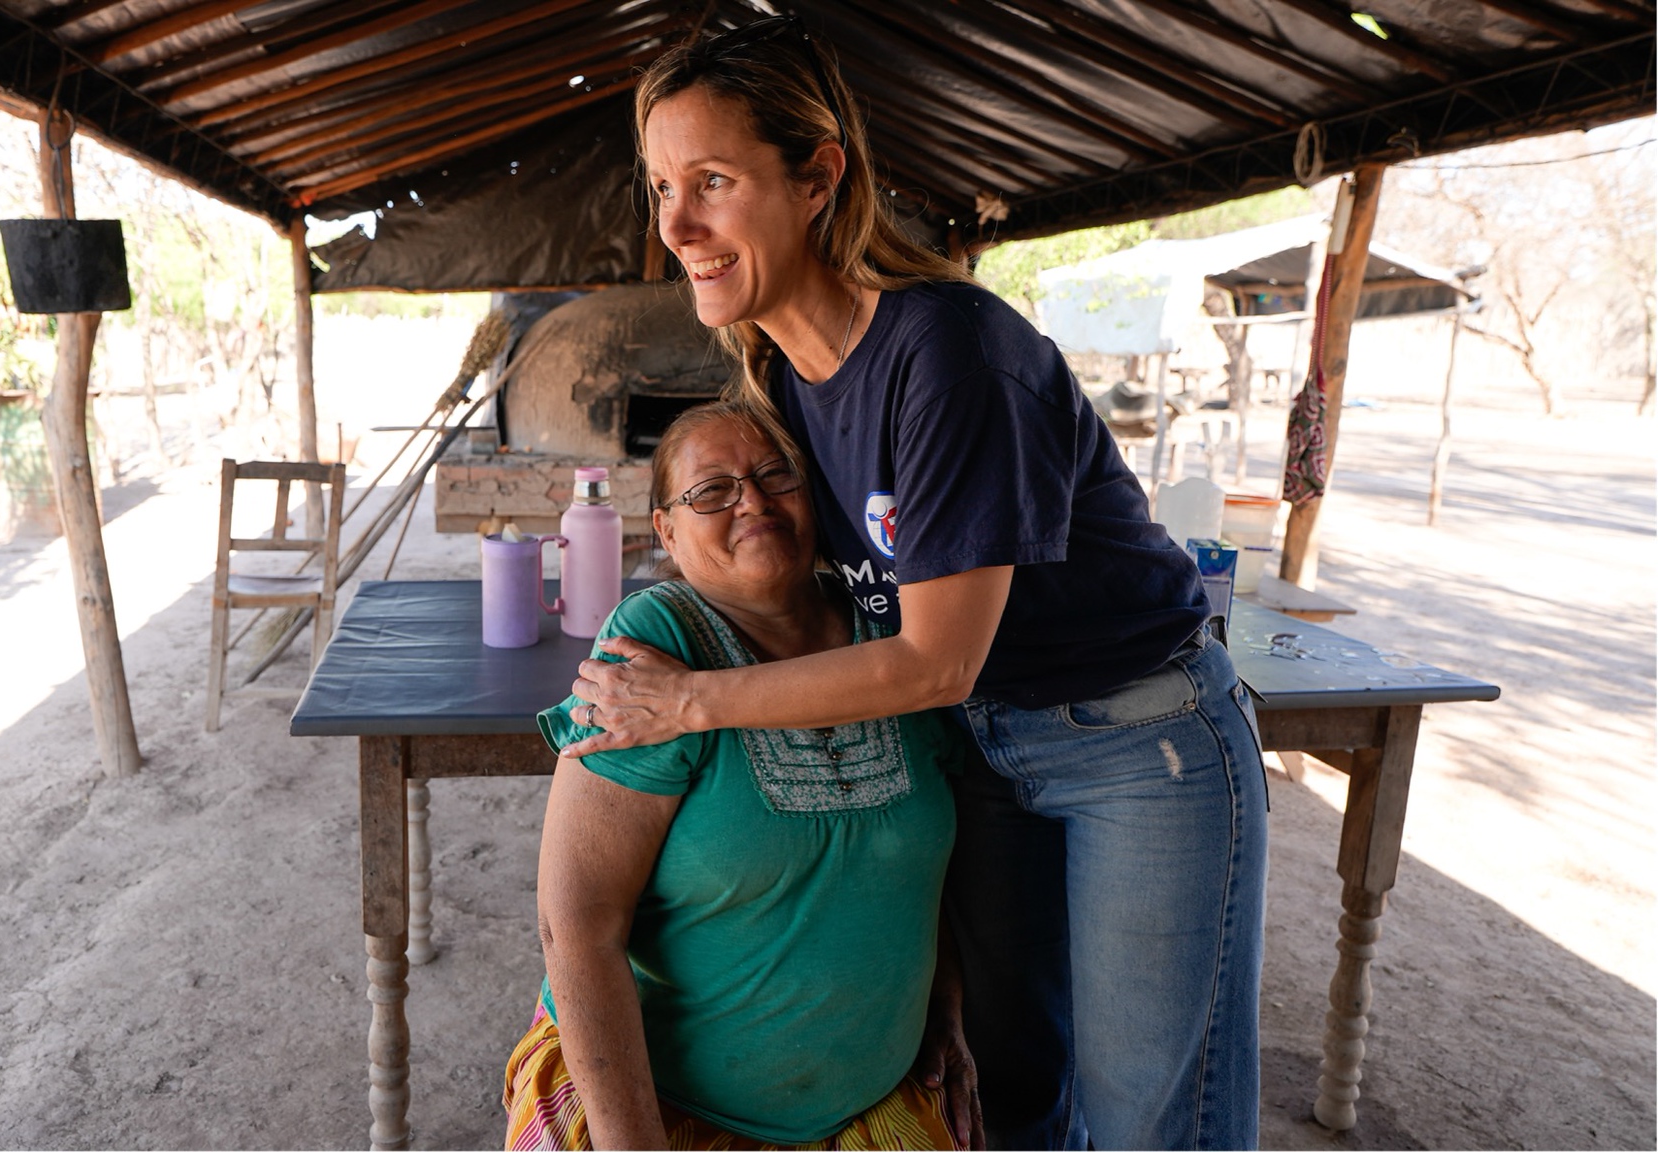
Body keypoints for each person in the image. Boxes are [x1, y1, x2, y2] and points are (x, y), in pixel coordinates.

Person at [562, 19, 1269, 1151]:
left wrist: (686, 703)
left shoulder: (946, 354)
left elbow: (934, 655)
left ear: (816, 176)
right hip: (979, 749)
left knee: (1150, 1119)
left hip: (1136, 743)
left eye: (710, 181)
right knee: (1007, 1089)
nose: (675, 227)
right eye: (659, 188)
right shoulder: (781, 376)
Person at [509, 401, 977, 1151]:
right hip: (654, 1108)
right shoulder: (653, 646)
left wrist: (945, 1007)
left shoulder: (896, 643)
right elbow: (576, 924)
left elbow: (926, 872)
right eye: (712, 490)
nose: (752, 501)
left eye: (775, 476)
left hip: (871, 1100)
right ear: (665, 530)